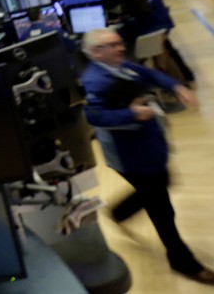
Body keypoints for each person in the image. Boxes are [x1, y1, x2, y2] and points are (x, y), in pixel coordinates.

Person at [81, 28, 214, 285]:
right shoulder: (96, 81)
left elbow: (147, 73)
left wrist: (175, 86)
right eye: (112, 45)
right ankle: (183, 262)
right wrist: (131, 115)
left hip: (150, 147)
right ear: (96, 52)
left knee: (161, 186)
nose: (121, 48)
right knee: (162, 210)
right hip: (132, 157)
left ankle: (120, 212)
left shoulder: (118, 66)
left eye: (119, 42)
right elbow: (94, 117)